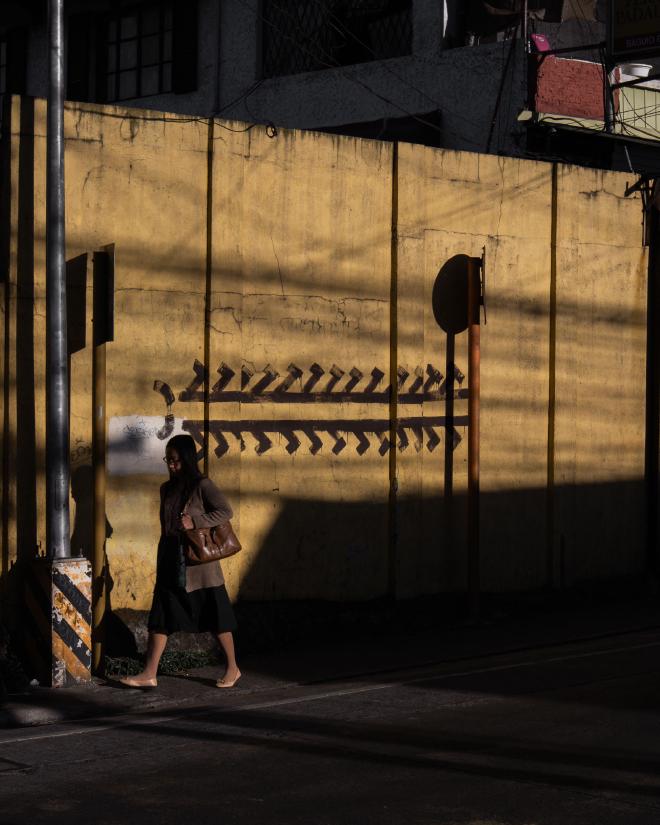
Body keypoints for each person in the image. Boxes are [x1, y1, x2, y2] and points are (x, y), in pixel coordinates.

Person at [120, 434, 241, 689]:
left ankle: (233, 667)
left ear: (187, 459)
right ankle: (149, 673)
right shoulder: (166, 488)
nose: (171, 465)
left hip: (199, 566)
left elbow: (225, 511)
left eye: (175, 461)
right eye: (168, 460)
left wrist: (195, 522)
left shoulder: (202, 485)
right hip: (171, 560)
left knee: (216, 616)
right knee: (160, 617)